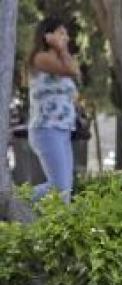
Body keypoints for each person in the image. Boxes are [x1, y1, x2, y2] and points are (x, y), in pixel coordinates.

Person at [27, 16, 80, 204]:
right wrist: (61, 48)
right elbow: (71, 71)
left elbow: (74, 69)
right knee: (59, 187)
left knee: (65, 189)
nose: (66, 38)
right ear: (47, 35)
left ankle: (52, 229)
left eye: (67, 34)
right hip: (46, 128)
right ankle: (12, 201)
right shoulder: (40, 58)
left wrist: (62, 50)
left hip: (63, 130)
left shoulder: (62, 60)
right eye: (61, 33)